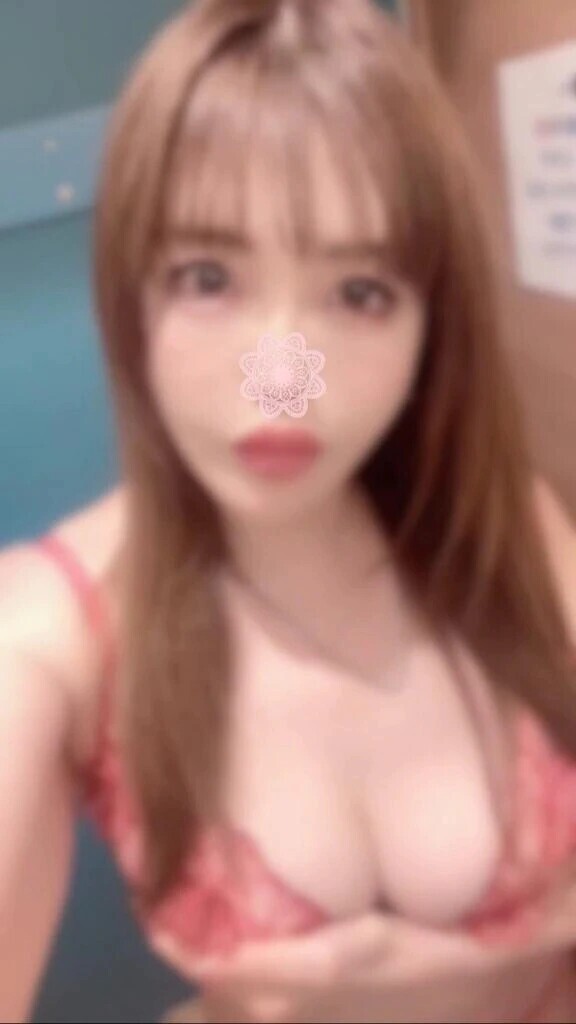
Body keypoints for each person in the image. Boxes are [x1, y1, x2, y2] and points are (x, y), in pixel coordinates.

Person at [2, 1, 576, 1021]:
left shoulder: (507, 532)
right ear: (129, 295)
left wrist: (494, 952)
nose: (282, 380)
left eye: (360, 293)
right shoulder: (50, 634)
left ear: (430, 328)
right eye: (208, 279)